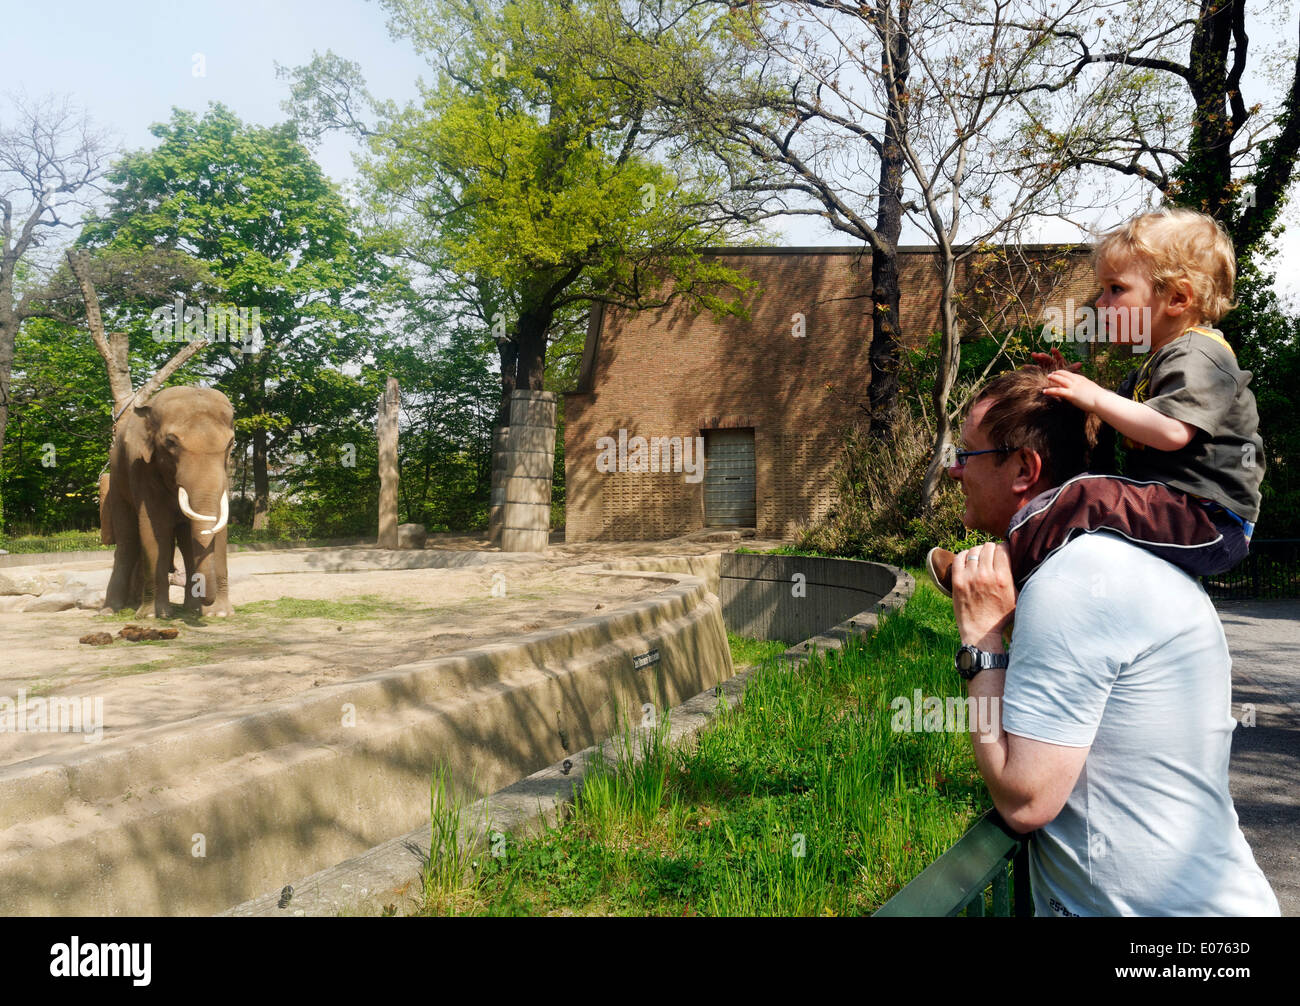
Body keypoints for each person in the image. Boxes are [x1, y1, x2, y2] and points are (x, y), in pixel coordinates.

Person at [947, 364, 1279, 916]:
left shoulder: (1074, 578)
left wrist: (981, 644)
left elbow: (1025, 799)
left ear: (1024, 469)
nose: (956, 472)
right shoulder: (1115, 555)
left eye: (967, 454)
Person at [929, 207, 1263, 595]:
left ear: (1177, 297)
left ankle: (996, 574)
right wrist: (1077, 392)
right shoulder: (1158, 360)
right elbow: (1113, 421)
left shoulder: (1199, 355)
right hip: (1178, 508)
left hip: (1210, 520)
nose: (1101, 303)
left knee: (1087, 496)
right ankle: (1023, 580)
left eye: (1116, 289)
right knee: (1089, 485)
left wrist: (1097, 396)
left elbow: (1172, 432)